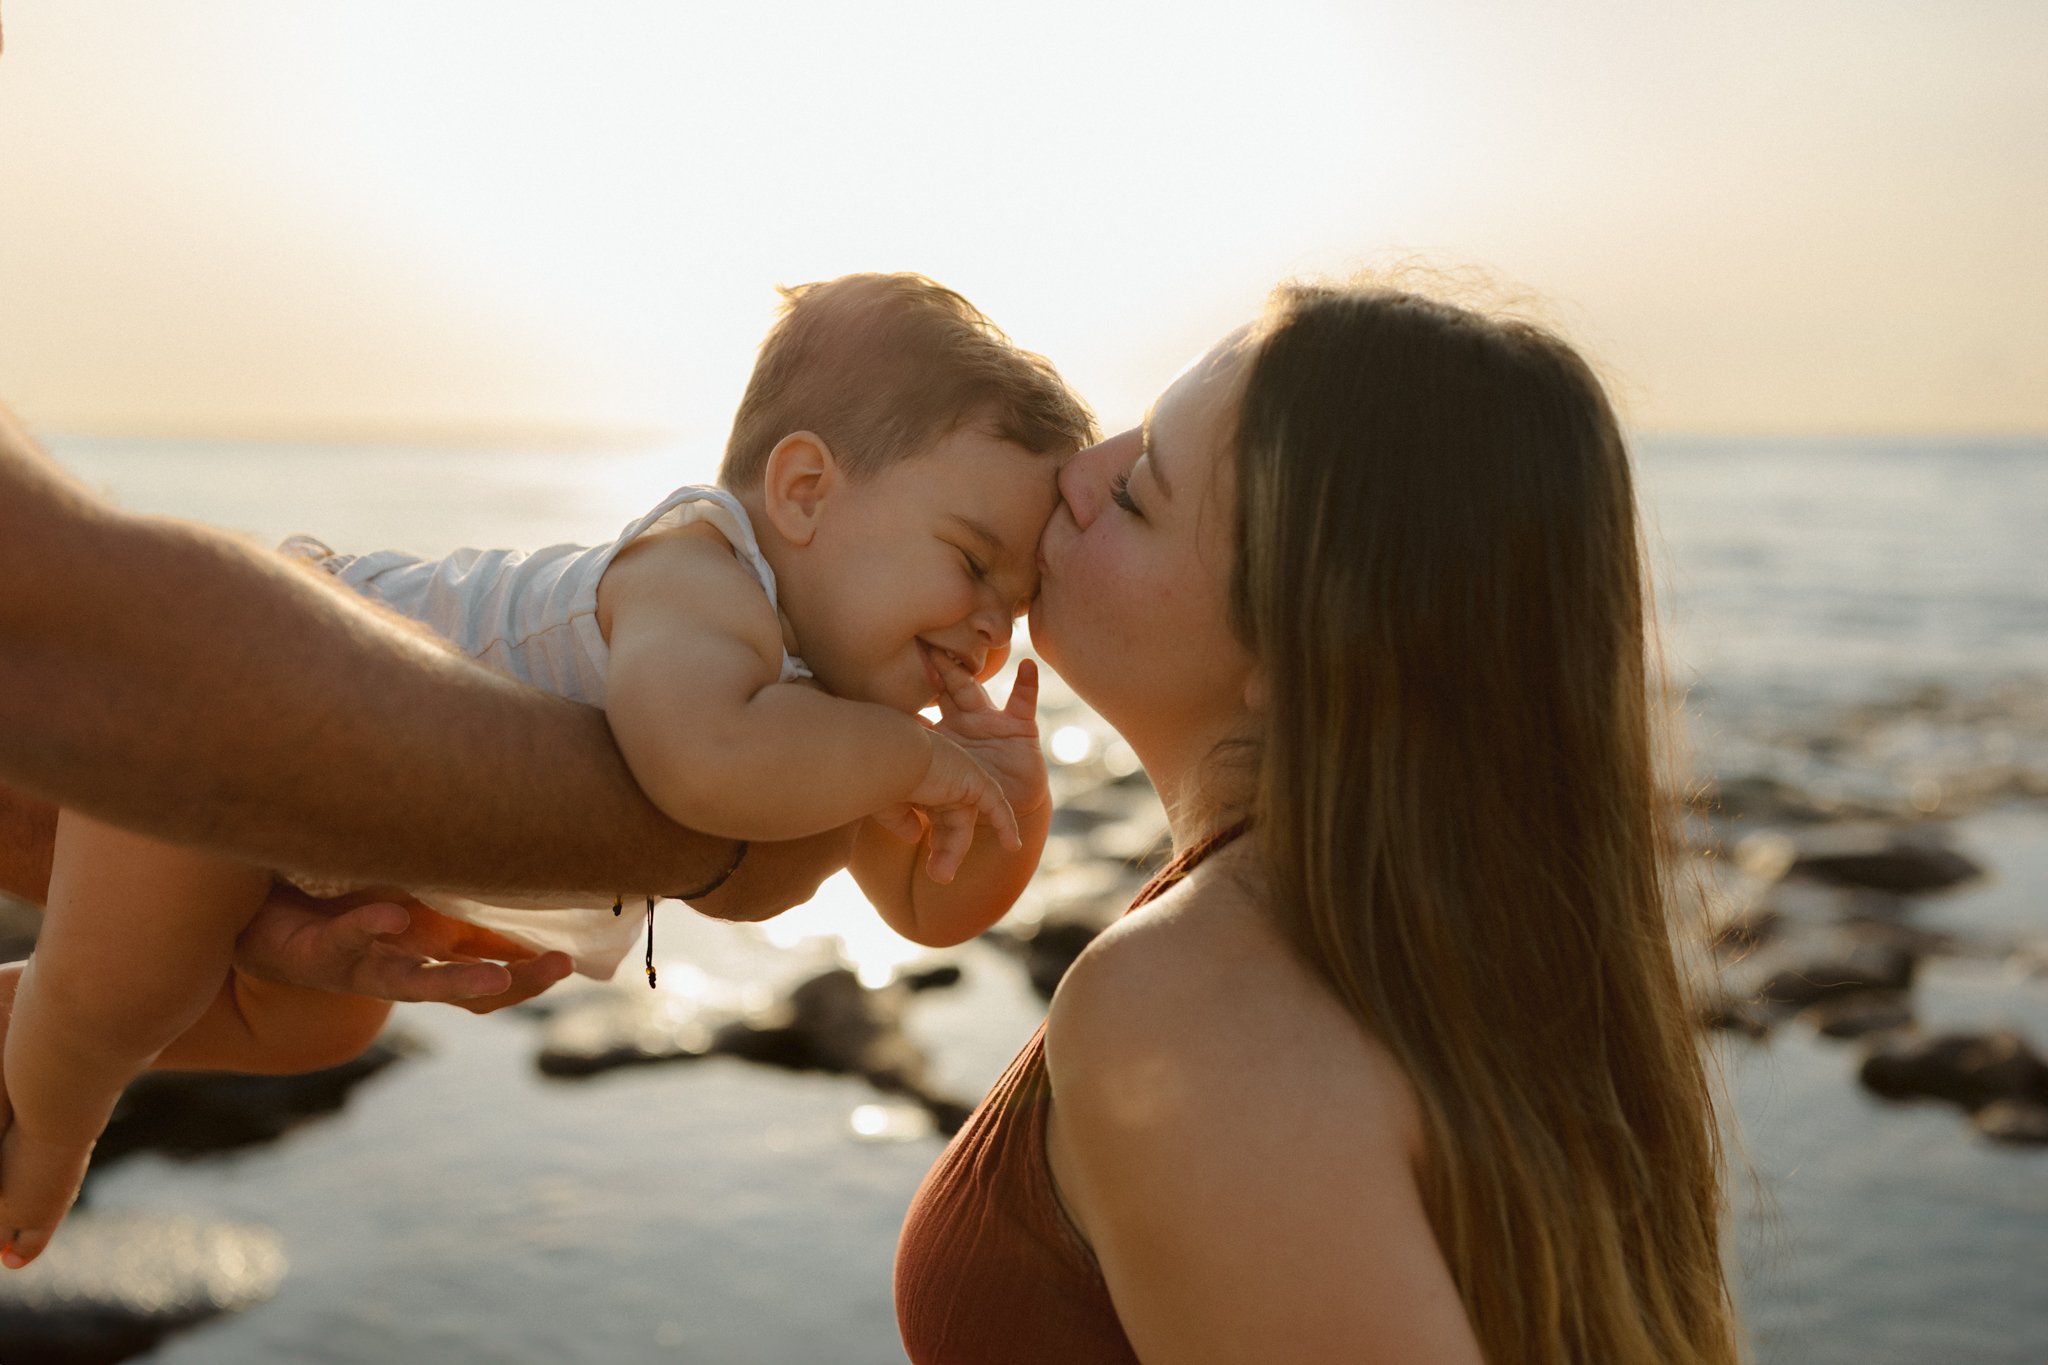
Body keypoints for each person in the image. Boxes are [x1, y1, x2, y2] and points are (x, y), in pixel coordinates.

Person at [0, 273, 1096, 1270]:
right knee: (108, 1003)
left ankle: (23, 1020)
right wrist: (911, 758)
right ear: (803, 491)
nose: (986, 628)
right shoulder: (699, 572)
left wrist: (1006, 804)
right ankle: (50, 1122)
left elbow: (920, 908)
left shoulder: (834, 717)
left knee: (319, 1025)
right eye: (967, 562)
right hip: (243, 703)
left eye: (1013, 605)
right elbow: (701, 764)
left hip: (335, 828)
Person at [895, 278, 1741, 1362]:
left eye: (1141, 489)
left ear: (1300, 649)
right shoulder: (1490, 977)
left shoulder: (1189, 1013)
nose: (1076, 472)